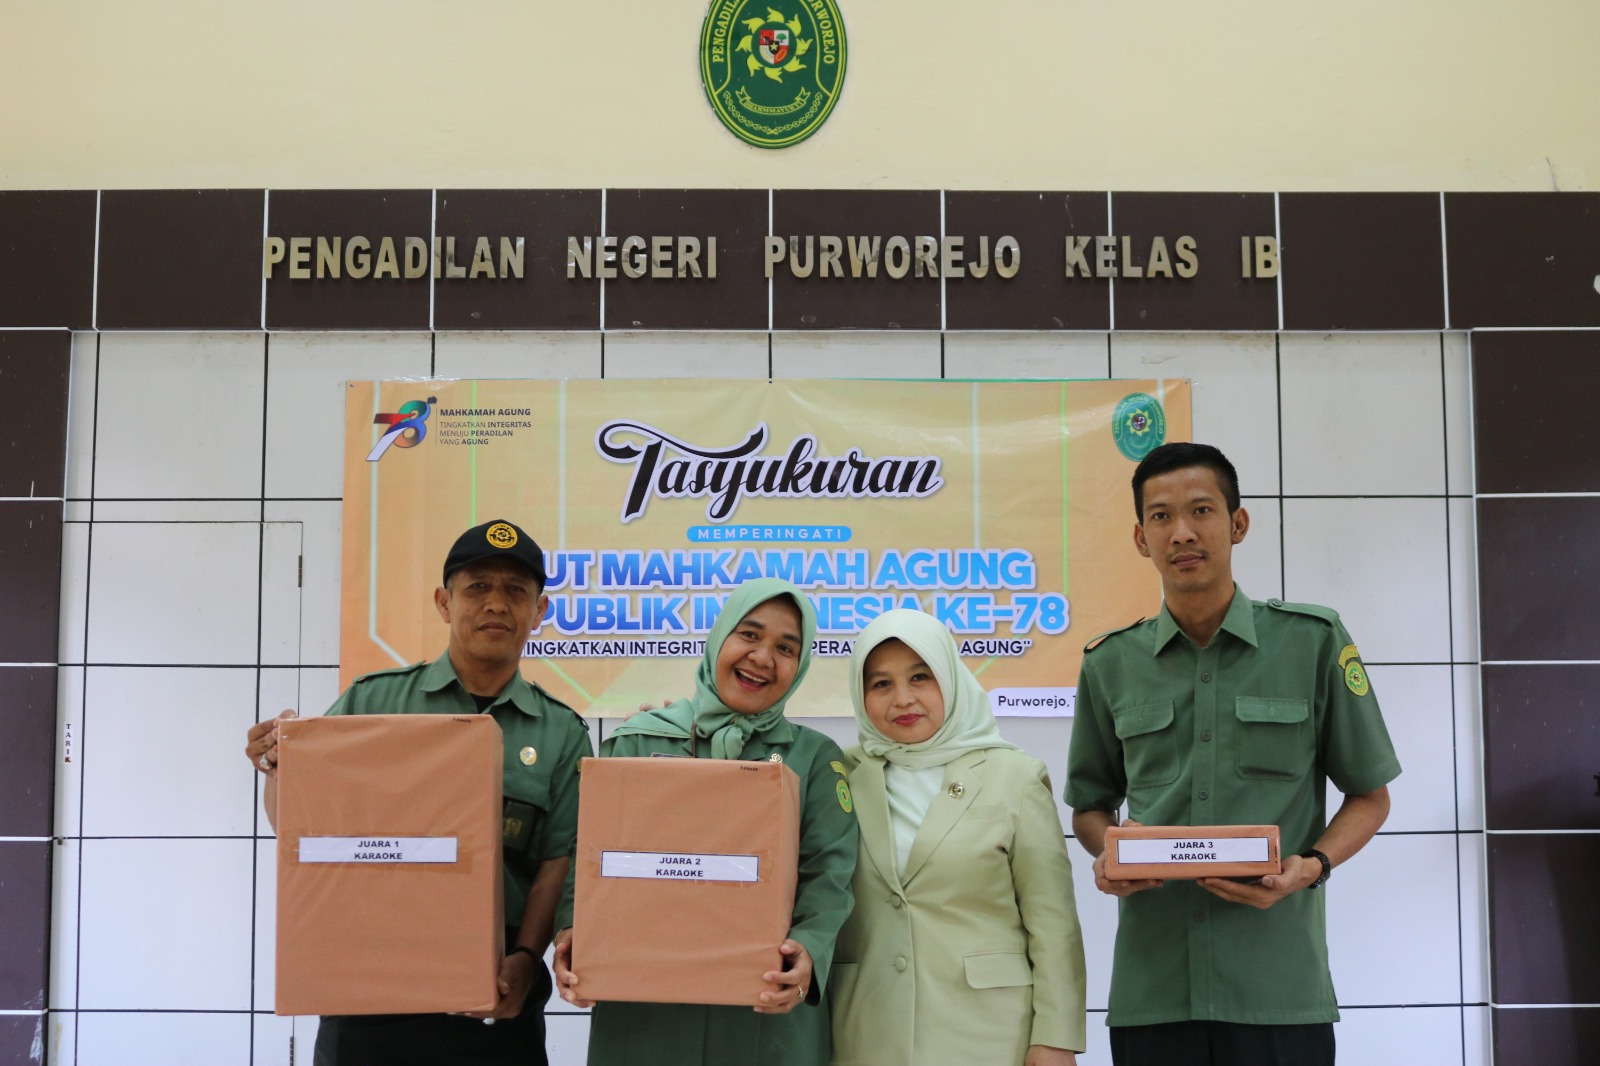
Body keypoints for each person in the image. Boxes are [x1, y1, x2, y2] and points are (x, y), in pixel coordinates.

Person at [1065, 442, 1402, 1066]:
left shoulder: (1312, 642)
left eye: (1201, 510)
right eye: (1161, 517)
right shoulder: (1110, 663)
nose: (1182, 533)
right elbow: (1089, 807)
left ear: (1238, 523)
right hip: (1154, 991)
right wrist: (1108, 855)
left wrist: (1312, 866)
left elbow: (1370, 796)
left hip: (1279, 989)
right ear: (1141, 538)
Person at [244, 518, 592, 1066]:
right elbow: (301, 829)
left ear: (539, 610)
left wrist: (528, 958)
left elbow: (557, 861)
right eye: (477, 587)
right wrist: (277, 766)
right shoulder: (372, 702)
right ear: (444, 603)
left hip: (496, 989)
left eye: (515, 590)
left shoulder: (561, 731)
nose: (496, 603)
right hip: (369, 982)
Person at [552, 576, 859, 1066]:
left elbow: (830, 873)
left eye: (786, 648)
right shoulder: (636, 743)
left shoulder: (815, 758)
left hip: (765, 1013)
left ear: (800, 666)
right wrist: (572, 932)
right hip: (646, 1012)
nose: (762, 657)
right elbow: (586, 856)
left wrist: (807, 950)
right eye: (749, 634)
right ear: (718, 639)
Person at [830, 609, 1086, 1066]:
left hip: (989, 1034)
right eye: (881, 684)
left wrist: (1055, 1038)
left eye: (920, 677)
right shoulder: (837, 774)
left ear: (949, 678)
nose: (903, 698)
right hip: (866, 1031)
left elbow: (1053, 923)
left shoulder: (1015, 776)